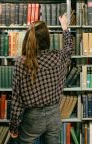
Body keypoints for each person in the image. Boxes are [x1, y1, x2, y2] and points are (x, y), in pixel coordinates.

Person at [9, 13, 73, 144]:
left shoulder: (21, 62)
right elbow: (69, 48)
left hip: (32, 118)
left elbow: (16, 99)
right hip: (54, 114)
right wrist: (65, 28)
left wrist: (13, 127)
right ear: (47, 39)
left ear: (28, 38)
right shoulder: (57, 57)